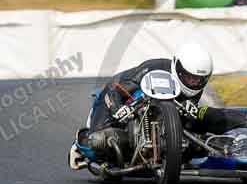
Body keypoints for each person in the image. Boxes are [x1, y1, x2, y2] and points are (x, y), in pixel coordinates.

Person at [69, 41, 214, 170]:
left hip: (165, 118)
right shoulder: (152, 68)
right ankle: (79, 145)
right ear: (178, 68)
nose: (193, 82)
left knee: (195, 142)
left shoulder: (195, 87)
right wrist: (118, 109)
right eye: (189, 77)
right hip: (121, 98)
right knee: (97, 142)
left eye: (198, 80)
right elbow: (114, 89)